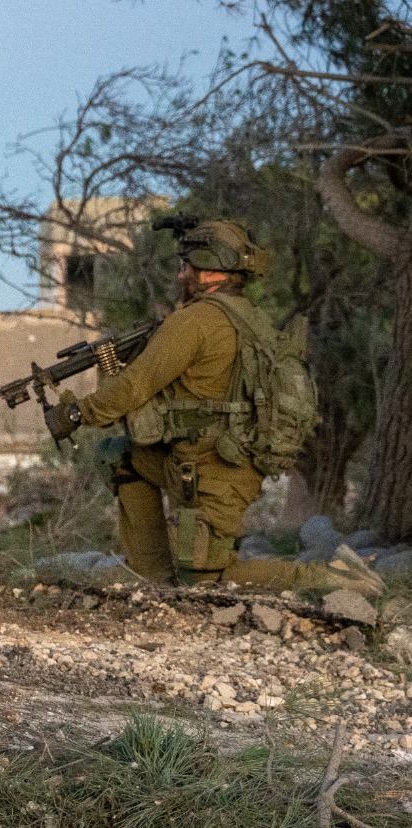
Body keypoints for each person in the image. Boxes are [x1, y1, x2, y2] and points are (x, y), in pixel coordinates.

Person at [44, 218, 382, 595]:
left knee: (208, 582)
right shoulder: (246, 315)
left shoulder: (195, 321)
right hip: (201, 462)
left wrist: (75, 414)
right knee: (120, 455)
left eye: (186, 267)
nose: (179, 276)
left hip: (217, 474)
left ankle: (332, 576)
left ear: (208, 273)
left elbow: (134, 386)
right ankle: (152, 575)